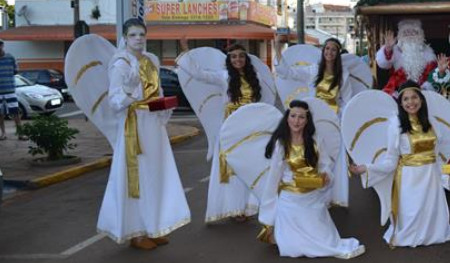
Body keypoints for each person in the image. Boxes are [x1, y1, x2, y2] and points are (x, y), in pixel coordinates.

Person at [99, 18, 191, 249]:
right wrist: (131, 94)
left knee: (154, 174)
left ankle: (152, 226)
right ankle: (135, 232)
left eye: (141, 34)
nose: (138, 38)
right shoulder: (120, 63)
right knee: (136, 176)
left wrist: (162, 106)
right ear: (125, 38)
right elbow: (114, 98)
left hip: (152, 125)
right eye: (133, 35)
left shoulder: (152, 60)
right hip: (134, 125)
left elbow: (157, 90)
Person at [349, 81, 450, 248]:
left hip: (431, 178)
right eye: (406, 99)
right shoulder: (395, 125)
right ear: (401, 103)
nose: (411, 102)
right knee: (412, 216)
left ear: (421, 99)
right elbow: (390, 162)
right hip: (410, 180)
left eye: (414, 97)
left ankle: (433, 232)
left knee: (432, 216)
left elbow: (436, 158)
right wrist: (366, 168)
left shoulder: (432, 122)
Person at [257, 100, 364, 259]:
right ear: (287, 118)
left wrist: (326, 175)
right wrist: (268, 219)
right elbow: (273, 179)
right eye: (293, 116)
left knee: (326, 241)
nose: (296, 121)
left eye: (301, 117)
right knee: (291, 248)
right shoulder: (281, 144)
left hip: (312, 197)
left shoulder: (315, 141)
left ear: (307, 121)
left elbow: (325, 164)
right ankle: (285, 233)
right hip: (290, 201)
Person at [177, 39, 265, 224]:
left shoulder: (253, 77)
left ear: (245, 59)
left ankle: (247, 206)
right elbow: (198, 74)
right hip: (231, 128)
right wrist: (186, 51)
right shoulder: (223, 76)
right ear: (229, 60)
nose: (238, 59)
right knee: (231, 169)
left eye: (241, 56)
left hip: (249, 127)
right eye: (233, 57)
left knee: (248, 167)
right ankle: (233, 208)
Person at [274, 37, 354, 207]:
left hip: (333, 122)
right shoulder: (313, 70)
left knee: (332, 157)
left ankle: (333, 197)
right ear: (323, 51)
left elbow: (347, 101)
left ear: (337, 53)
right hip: (314, 119)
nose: (329, 52)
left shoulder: (343, 74)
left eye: (333, 49)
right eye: (327, 49)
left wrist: (340, 118)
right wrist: (277, 50)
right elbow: (288, 73)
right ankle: (313, 190)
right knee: (315, 155)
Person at [376, 19, 449, 95]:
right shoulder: (395, 49)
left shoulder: (428, 52)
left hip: (423, 89)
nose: (410, 35)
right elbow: (383, 64)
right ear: (400, 36)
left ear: (420, 35)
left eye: (414, 32)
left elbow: (431, 74)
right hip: (398, 88)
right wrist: (388, 50)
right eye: (406, 32)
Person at [0, 38, 24, 140]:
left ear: (2, 46)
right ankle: (3, 133)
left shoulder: (10, 57)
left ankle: (20, 133)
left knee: (15, 112)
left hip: (10, 90)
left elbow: (16, 71)